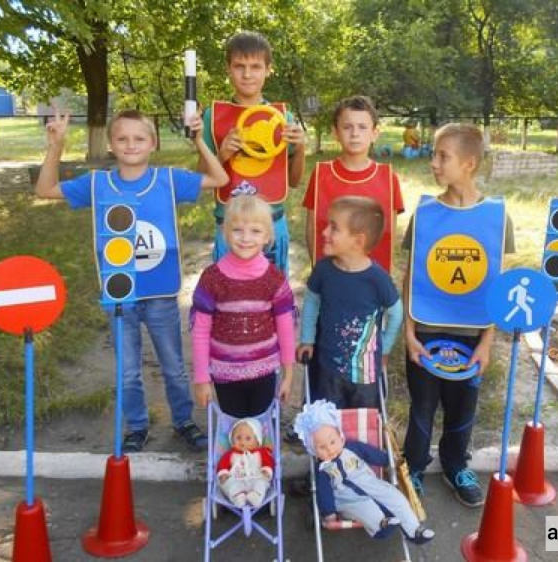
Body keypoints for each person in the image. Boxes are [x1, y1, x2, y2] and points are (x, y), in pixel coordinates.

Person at [35, 108, 229, 453]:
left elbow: (219, 179)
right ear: (110, 144)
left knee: (173, 365)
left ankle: (183, 420)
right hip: (119, 294)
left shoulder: (168, 179)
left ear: (153, 143)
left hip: (160, 293)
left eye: (139, 138)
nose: (130, 144)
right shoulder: (97, 183)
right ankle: (137, 427)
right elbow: (45, 189)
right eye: (122, 138)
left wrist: (199, 139)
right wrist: (56, 146)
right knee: (128, 371)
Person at [402, 123, 515, 507]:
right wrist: (409, 334)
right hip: (427, 331)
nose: (433, 162)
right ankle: (413, 467)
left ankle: (455, 464)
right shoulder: (425, 214)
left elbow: (496, 285)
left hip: (472, 336)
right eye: (433, 154)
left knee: (462, 408)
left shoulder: (497, 217)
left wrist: (488, 342)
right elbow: (411, 277)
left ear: (468, 163)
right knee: (422, 407)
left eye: (442, 156)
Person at [197, 30, 306, 275]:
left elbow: (295, 181)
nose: (247, 74)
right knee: (229, 300)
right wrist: (222, 154)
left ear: (268, 70)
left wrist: (300, 148)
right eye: (239, 66)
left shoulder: (281, 118)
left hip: (272, 225)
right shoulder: (213, 118)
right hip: (230, 227)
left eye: (256, 66)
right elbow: (201, 179)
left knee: (274, 299)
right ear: (228, 69)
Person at [190, 194, 295, 418]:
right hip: (224, 373)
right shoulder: (212, 278)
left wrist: (288, 374)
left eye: (255, 231)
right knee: (234, 434)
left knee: (262, 432)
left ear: (267, 236)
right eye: (237, 230)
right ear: (225, 233)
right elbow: (200, 331)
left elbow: (286, 327)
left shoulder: (274, 278)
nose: (246, 238)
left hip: (265, 371)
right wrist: (202, 379)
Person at [296, 196, 403, 409]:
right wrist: (307, 339)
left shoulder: (377, 279)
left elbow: (396, 313)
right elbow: (311, 304)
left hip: (365, 374)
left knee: (361, 426)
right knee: (328, 421)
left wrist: (385, 348)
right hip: (328, 369)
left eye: (334, 228)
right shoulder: (323, 270)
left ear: (358, 241)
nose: (325, 232)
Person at [294, 400, 434, 544]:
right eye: (322, 448)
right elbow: (325, 493)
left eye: (332, 442)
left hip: (371, 484)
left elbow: (370, 454)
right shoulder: (323, 469)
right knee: (366, 509)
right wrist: (329, 512)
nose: (329, 449)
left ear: (340, 438)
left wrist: (388, 460)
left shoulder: (352, 448)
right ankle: (382, 526)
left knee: (396, 497)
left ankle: (415, 530)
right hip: (347, 499)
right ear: (313, 451)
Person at [302, 95, 404, 273]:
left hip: (371, 280)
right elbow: (312, 228)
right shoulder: (321, 174)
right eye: (347, 127)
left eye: (363, 127)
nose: (355, 134)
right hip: (330, 276)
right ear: (335, 133)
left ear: (374, 133)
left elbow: (389, 233)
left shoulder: (388, 177)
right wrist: (318, 270)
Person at [217, 417, 274, 508]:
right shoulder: (230, 454)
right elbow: (222, 465)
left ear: (257, 441)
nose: (242, 442)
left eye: (248, 438)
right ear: (232, 439)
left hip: (256, 478)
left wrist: (267, 470)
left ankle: (256, 495)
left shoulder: (261, 452)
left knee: (262, 482)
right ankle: (238, 497)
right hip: (236, 479)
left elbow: (269, 462)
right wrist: (223, 473)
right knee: (227, 483)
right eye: (238, 438)